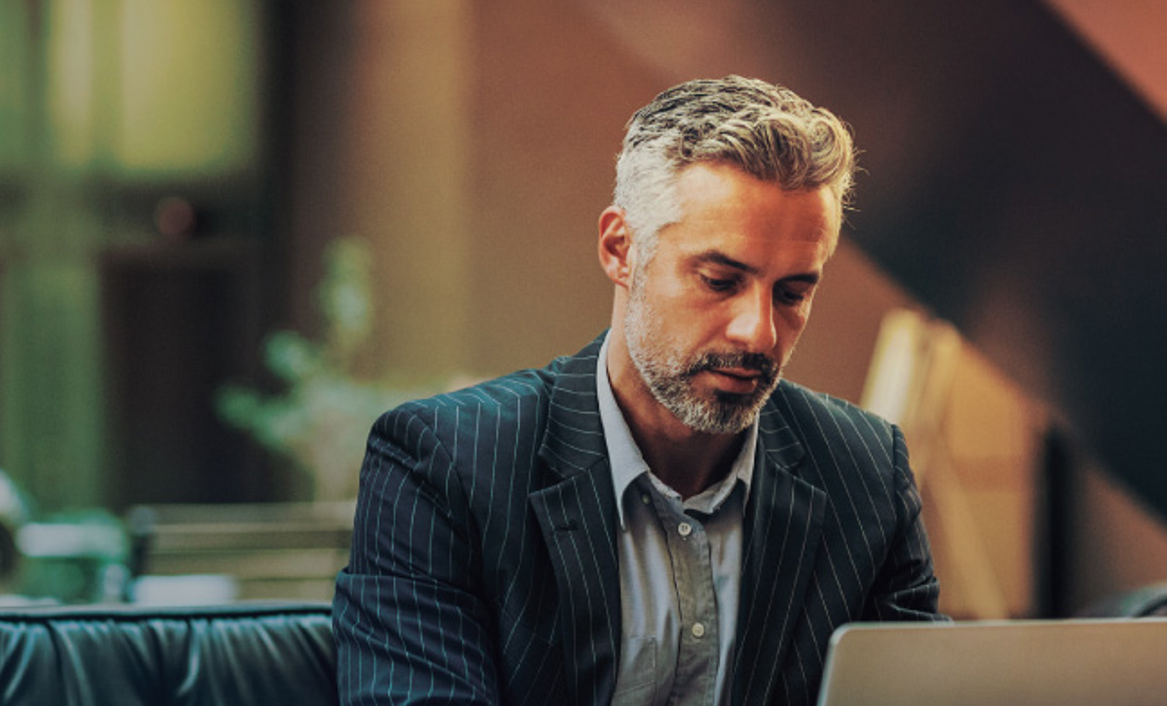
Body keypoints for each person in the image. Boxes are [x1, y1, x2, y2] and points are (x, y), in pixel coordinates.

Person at [333, 75, 945, 706]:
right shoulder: (443, 463)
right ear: (621, 249)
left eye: (792, 293)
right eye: (719, 279)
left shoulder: (867, 472)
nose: (760, 332)